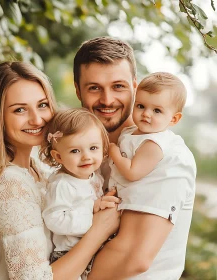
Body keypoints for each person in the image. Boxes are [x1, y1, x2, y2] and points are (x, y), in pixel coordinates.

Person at [0, 61, 120, 280]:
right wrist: (99, 231)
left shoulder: (41, 166)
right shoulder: (8, 183)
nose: (37, 119)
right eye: (20, 109)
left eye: (42, 105)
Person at [73, 37, 196, 280]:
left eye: (118, 86)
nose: (107, 100)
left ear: (134, 86)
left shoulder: (164, 156)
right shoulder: (82, 149)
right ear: (78, 90)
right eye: (94, 87)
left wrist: (63, 273)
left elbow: (134, 258)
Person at [40, 108, 120, 279]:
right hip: (69, 254)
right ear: (59, 157)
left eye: (93, 148)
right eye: (75, 151)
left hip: (91, 248)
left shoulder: (94, 176)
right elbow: (54, 219)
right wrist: (93, 216)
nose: (86, 157)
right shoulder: (62, 184)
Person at [109, 72, 188, 188]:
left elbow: (132, 173)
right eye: (141, 106)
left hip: (133, 201)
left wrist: (113, 152)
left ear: (174, 119)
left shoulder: (153, 144)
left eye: (157, 110)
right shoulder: (129, 131)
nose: (146, 114)